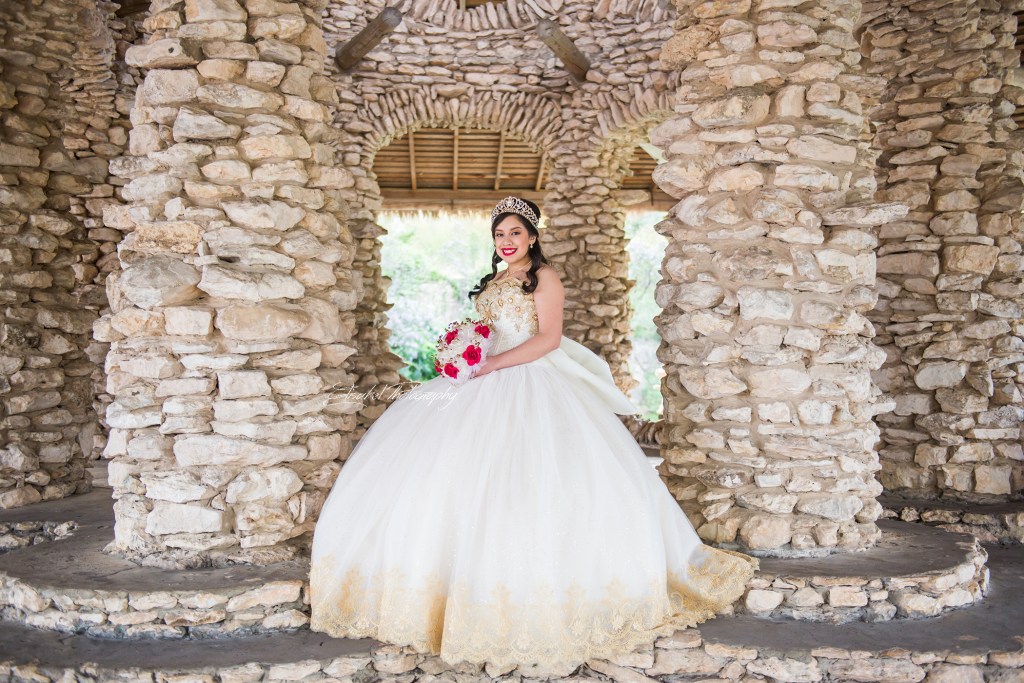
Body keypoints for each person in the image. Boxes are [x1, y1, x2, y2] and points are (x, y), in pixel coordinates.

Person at [309, 196, 756, 671]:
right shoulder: (495, 281)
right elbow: (486, 330)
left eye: (515, 233)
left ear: (532, 236)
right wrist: (465, 353)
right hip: (481, 381)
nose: (507, 241)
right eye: (499, 234)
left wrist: (493, 364)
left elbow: (547, 339)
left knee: (534, 476)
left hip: (529, 380)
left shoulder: (544, 277)